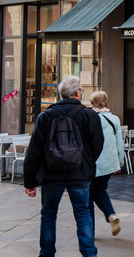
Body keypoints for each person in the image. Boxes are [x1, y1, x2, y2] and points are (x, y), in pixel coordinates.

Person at [23, 76, 104, 257]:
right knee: (83, 214)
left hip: (51, 174)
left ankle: (47, 253)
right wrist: (87, 163)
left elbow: (34, 150)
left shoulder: (46, 115)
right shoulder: (89, 115)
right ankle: (89, 253)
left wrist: (29, 181)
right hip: (80, 174)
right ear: (77, 93)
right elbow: (98, 144)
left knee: (48, 215)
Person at [89, 90, 124, 236]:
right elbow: (119, 143)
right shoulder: (114, 119)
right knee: (100, 190)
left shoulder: (90, 118)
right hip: (109, 163)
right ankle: (111, 215)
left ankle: (89, 231)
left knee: (88, 197)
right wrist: (120, 162)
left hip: (93, 163)